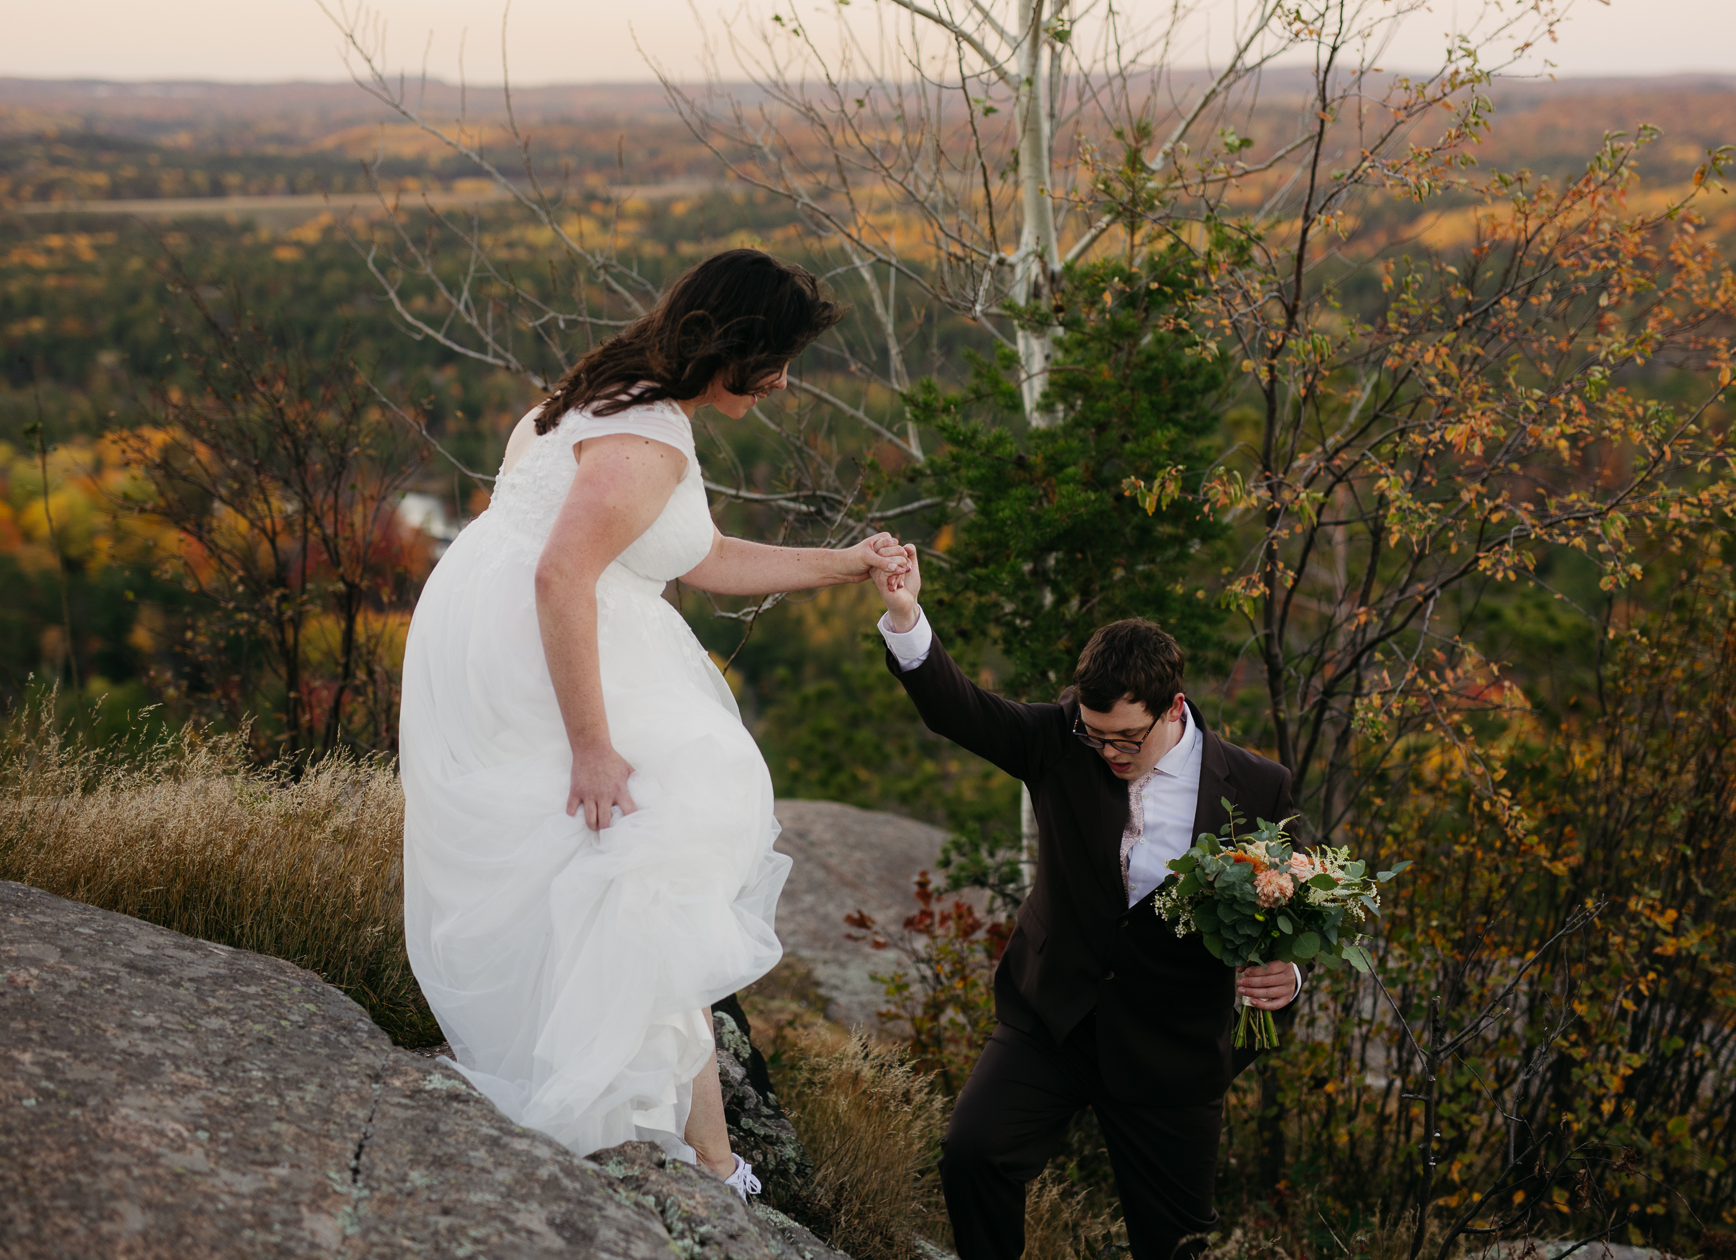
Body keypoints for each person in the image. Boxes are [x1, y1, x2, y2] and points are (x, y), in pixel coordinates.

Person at [400, 249, 908, 1198]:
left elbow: (701, 555)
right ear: (736, 343)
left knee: (631, 872)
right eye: (779, 358)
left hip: (522, 627)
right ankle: (709, 1161)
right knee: (655, 846)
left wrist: (844, 564)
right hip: (544, 645)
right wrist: (593, 747)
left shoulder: (616, 391)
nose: (785, 381)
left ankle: (696, 1142)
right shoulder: (648, 435)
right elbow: (560, 575)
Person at [869, 544, 1301, 1260]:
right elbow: (958, 708)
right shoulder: (1059, 741)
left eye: (1128, 738)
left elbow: (1289, 906)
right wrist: (905, 612)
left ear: (1175, 707)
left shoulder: (1258, 788)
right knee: (973, 1154)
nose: (1109, 752)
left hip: (1173, 1045)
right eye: (1097, 736)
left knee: (1177, 1244)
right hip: (1055, 1015)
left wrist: (1286, 978)